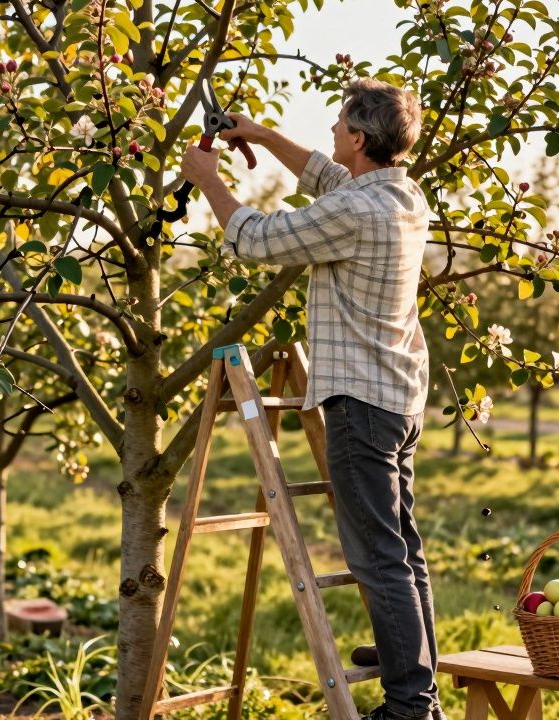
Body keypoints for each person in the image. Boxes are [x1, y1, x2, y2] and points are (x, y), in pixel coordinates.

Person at [178, 77, 444, 720]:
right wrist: (263, 136)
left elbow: (256, 240)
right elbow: (328, 177)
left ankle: (411, 706)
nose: (329, 133)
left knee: (377, 557)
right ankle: (405, 655)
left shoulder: (358, 211)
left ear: (358, 137)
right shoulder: (402, 196)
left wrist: (206, 177)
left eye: (337, 125)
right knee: (402, 549)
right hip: (398, 395)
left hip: (358, 401)